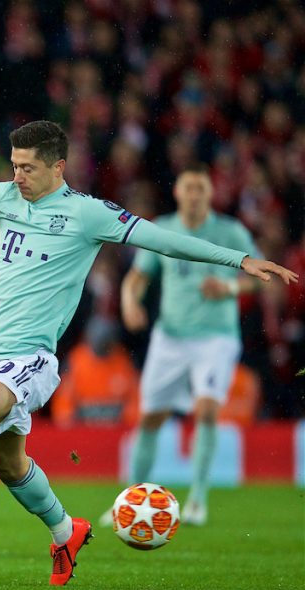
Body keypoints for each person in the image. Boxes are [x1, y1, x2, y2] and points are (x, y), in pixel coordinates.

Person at [0, 122, 298, 586]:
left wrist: (238, 260)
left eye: (28, 168)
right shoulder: (5, 197)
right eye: (15, 165)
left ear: (58, 166)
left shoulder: (87, 214)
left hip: (30, 362)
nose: (18, 176)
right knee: (7, 465)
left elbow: (162, 239)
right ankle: (66, 531)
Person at [99, 164, 262, 527]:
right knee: (151, 417)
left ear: (210, 193)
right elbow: (138, 276)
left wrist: (231, 288)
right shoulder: (164, 230)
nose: (194, 195)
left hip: (216, 337)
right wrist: (129, 301)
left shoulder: (230, 231)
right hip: (169, 337)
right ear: (177, 192)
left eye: (200, 188)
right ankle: (128, 500)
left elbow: (260, 279)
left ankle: (198, 500)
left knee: (206, 410)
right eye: (188, 188)